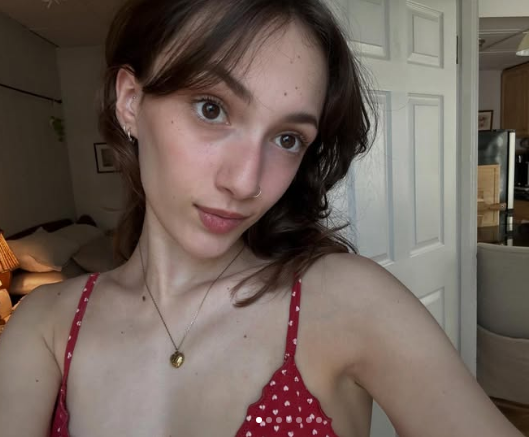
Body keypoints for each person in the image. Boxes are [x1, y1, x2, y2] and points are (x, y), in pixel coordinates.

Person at [0, 0, 523, 436]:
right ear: (131, 101)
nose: (246, 182)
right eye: (211, 108)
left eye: (287, 138)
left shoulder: (349, 301)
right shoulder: (44, 326)